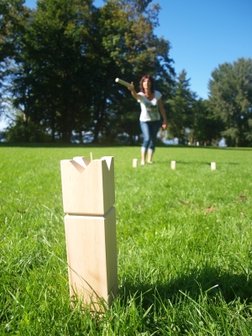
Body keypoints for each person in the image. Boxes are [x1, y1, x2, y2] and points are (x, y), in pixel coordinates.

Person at [127, 75, 168, 165]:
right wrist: (132, 90)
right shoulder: (141, 95)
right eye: (145, 82)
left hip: (156, 121)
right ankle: (142, 160)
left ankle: (149, 160)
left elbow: (161, 108)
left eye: (149, 81)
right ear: (142, 83)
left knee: (153, 140)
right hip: (144, 121)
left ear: (151, 83)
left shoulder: (157, 94)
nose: (147, 83)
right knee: (147, 138)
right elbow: (135, 96)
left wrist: (165, 120)